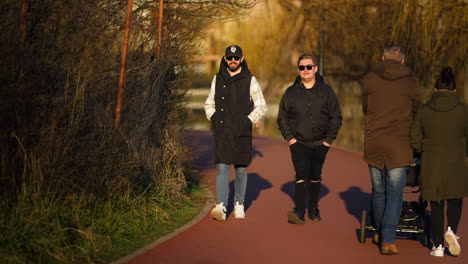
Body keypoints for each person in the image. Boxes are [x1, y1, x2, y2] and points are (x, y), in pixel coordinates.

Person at [362, 44, 423, 255]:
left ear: (382, 58)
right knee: (395, 193)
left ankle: (379, 232)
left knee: (378, 190)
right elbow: (418, 113)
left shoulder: (369, 79)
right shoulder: (411, 82)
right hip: (399, 145)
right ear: (403, 61)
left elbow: (365, 109)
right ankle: (387, 240)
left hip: (374, 143)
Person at [277, 53, 342, 224]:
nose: (305, 70)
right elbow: (282, 117)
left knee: (315, 176)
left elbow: (336, 116)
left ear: (315, 69)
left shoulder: (326, 91)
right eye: (302, 67)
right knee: (300, 175)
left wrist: (328, 140)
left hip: (321, 143)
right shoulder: (291, 92)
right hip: (298, 143)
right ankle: (299, 212)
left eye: (308, 67)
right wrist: (290, 139)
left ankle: (313, 208)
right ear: (298, 70)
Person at [204, 45, 267, 221]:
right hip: (222, 130)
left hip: (242, 131)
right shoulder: (217, 79)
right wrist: (214, 118)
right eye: (230, 58)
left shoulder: (250, 80)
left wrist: (248, 121)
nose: (233, 61)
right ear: (225, 59)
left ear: (241, 58)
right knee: (222, 168)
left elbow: (262, 106)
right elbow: (208, 103)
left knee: (240, 169)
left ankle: (239, 204)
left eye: (236, 58)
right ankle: (221, 206)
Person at [410, 67, 468, 257]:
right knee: (455, 198)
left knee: (435, 203)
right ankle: (451, 230)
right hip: (457, 161)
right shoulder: (463, 111)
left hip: (432, 162)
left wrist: (422, 150)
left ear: (435, 90)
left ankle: (438, 246)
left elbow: (414, 137)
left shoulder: (425, 110)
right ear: (454, 90)